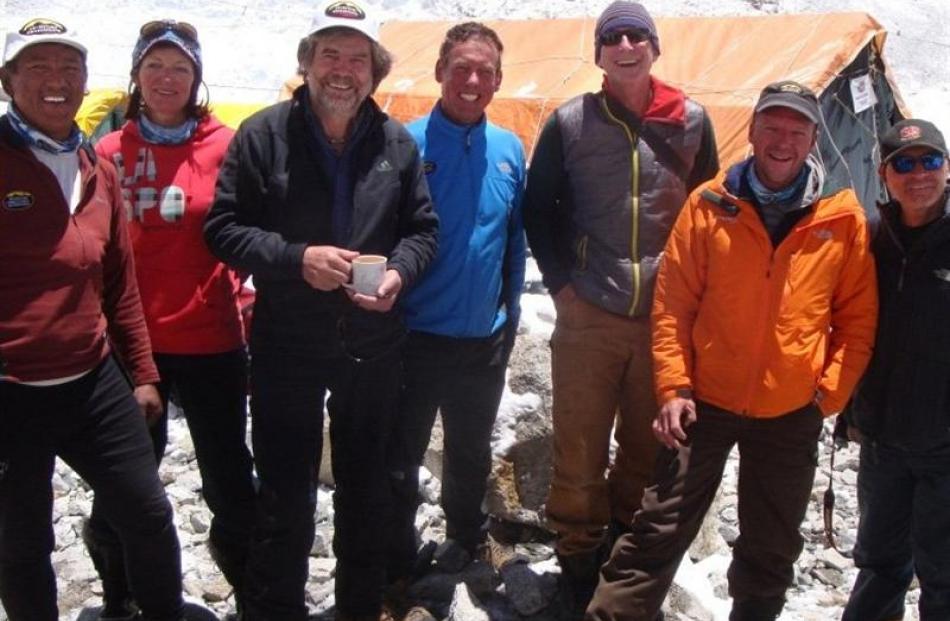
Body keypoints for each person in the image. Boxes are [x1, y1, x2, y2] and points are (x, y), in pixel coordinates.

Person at [585, 80, 878, 621]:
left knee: (771, 548)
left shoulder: (840, 220)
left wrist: (827, 393)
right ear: (752, 130)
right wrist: (673, 387)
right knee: (657, 532)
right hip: (704, 403)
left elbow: (856, 320)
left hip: (791, 411)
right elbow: (673, 305)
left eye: (796, 129)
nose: (782, 141)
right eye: (772, 126)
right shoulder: (709, 205)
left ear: (814, 139)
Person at [202, 0, 439, 619]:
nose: (343, 69)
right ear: (306, 63)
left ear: (374, 71)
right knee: (285, 496)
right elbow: (223, 229)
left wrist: (398, 272)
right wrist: (295, 257)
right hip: (288, 342)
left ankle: (357, 609)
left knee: (366, 493)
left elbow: (422, 231)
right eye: (329, 54)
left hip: (373, 343)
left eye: (357, 58)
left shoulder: (396, 142)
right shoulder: (263, 135)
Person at [521, 1, 719, 611]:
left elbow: (707, 208)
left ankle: (625, 563)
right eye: (613, 37)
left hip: (663, 316)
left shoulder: (690, 119)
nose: (626, 45)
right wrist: (563, 286)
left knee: (645, 447)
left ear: (655, 48)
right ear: (599, 53)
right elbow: (539, 208)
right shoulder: (571, 121)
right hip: (590, 310)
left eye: (637, 36)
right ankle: (577, 558)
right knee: (578, 444)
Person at [0, 18, 186, 621]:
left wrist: (143, 373)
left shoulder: (95, 169)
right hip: (11, 391)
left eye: (69, 69)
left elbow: (118, 286)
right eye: (38, 67)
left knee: (148, 512)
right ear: (7, 81)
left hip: (92, 379)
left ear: (86, 83)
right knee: (23, 542)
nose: (57, 81)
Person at [85, 19, 256, 620]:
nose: (166, 78)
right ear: (135, 75)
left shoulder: (228, 145)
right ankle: (120, 594)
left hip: (212, 338)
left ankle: (248, 585)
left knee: (231, 479)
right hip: (133, 349)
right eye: (154, 66)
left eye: (179, 67)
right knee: (127, 485)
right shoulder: (106, 152)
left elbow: (254, 228)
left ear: (196, 78)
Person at [387, 21, 526, 581]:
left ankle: (465, 539)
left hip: (482, 339)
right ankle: (395, 554)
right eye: (461, 68)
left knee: (469, 452)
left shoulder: (510, 148)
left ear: (498, 80)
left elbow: (514, 239)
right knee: (401, 454)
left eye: (484, 71)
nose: (472, 80)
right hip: (415, 336)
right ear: (441, 72)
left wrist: (509, 316)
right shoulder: (406, 143)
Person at [841, 119, 950, 621]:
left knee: (943, 574)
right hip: (882, 439)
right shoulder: (871, 240)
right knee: (879, 565)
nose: (918, 174)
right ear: (884, 175)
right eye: (903, 164)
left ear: (947, 168)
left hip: (945, 447)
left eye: (929, 160)